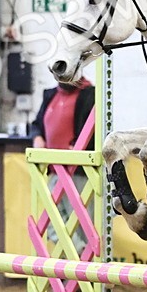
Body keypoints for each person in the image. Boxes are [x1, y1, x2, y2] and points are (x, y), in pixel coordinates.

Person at [29, 78, 96, 253]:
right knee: (52, 222)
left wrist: (80, 147)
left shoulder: (90, 95)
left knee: (81, 224)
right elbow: (36, 124)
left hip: (78, 171)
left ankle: (82, 256)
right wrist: (37, 137)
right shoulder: (51, 94)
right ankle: (80, 254)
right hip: (55, 170)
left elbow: (98, 131)